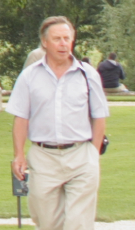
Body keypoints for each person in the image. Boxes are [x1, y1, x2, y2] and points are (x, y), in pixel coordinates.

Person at [8, 17, 109, 230]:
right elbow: (21, 118)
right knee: (47, 223)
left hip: (81, 155)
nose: (63, 44)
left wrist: (92, 153)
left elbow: (100, 116)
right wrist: (19, 155)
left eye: (67, 38)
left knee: (78, 223)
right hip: (43, 157)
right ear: (45, 42)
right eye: (57, 39)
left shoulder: (87, 74)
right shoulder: (29, 76)